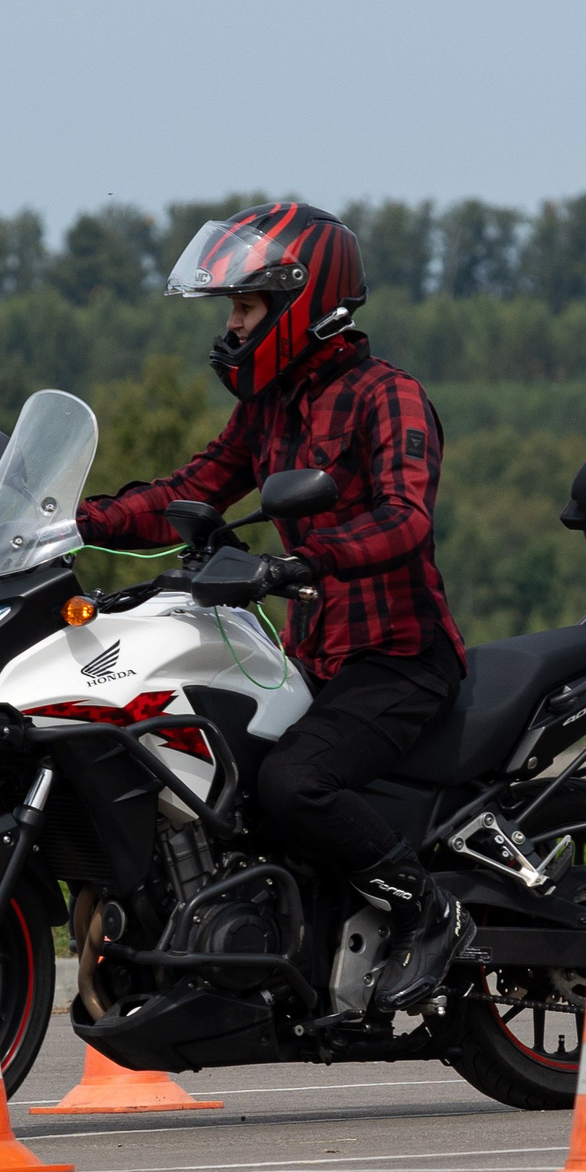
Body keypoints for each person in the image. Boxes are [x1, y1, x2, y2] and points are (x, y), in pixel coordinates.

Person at [74, 202, 472, 1012]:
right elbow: (189, 491)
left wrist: (297, 563)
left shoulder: (384, 395)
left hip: (398, 661)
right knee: (222, 777)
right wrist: (71, 522)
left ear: (301, 305)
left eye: (246, 307)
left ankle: (432, 913)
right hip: (313, 661)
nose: (232, 324)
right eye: (231, 307)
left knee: (294, 783)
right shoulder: (268, 409)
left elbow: (408, 515)